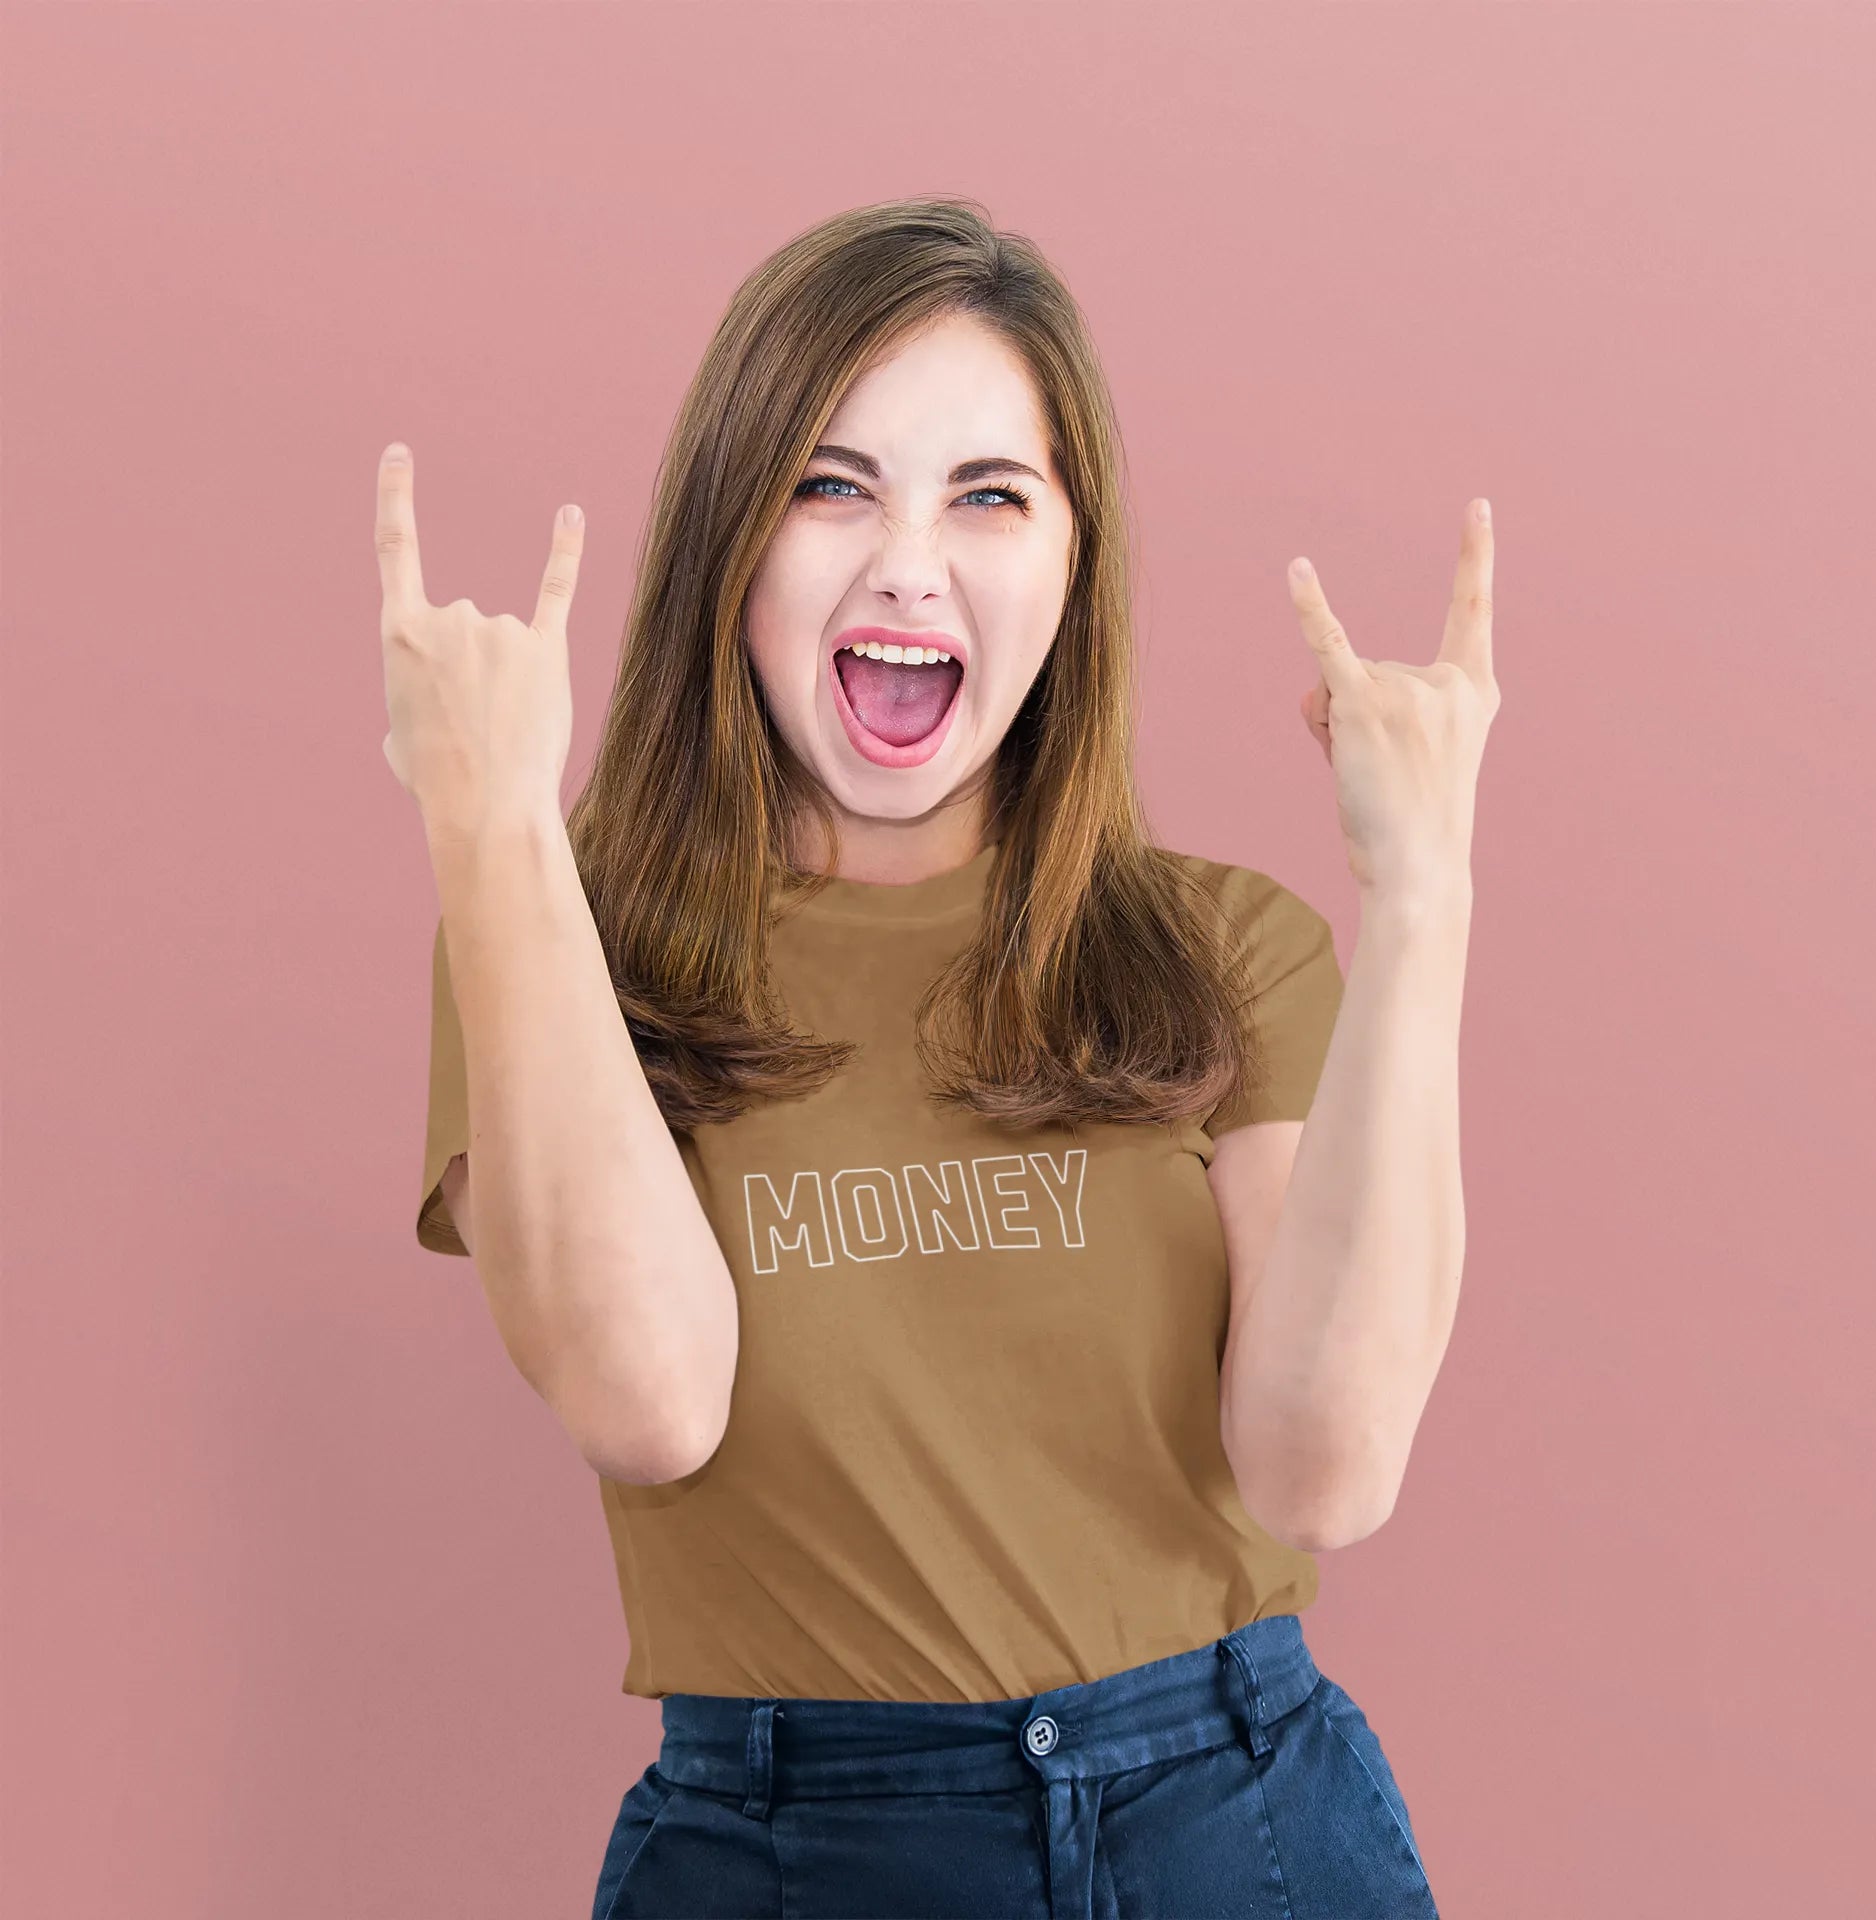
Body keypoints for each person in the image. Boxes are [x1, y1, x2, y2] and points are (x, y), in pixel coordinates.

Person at [378, 195, 1494, 1919]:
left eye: (990, 494)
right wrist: (489, 827)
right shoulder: (558, 951)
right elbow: (646, 1403)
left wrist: (1422, 896)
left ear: (1073, 563)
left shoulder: (1227, 953)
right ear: (728, 547)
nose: (910, 560)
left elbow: (1324, 1471)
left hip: (1238, 1827)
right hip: (793, 1844)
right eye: (832, 485)